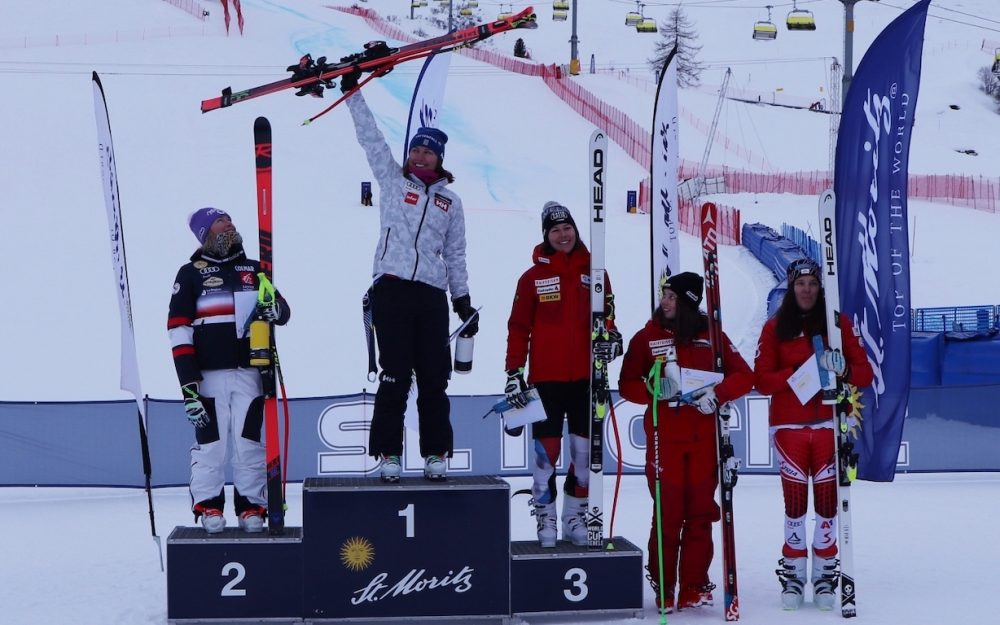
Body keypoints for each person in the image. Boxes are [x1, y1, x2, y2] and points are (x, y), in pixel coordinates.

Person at [342, 76, 477, 482]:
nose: (419, 156)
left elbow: (455, 253)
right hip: (392, 290)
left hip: (431, 296)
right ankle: (388, 454)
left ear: (438, 159)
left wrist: (463, 299)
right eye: (416, 149)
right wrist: (352, 92)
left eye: (427, 152)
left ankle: (436, 453)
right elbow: (370, 138)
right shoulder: (392, 180)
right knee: (395, 374)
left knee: (434, 377)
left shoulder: (450, 202)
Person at [618, 272, 753, 613]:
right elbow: (626, 384)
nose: (665, 301)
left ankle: (693, 584)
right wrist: (654, 390)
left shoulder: (712, 336)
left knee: (700, 512)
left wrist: (717, 394)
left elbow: (745, 376)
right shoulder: (647, 337)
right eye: (664, 294)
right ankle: (663, 585)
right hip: (666, 438)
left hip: (703, 438)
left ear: (689, 303)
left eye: (673, 297)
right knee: (668, 512)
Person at [754, 258, 874, 610]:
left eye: (812, 283)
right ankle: (793, 574)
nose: (806, 290)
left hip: (826, 426)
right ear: (790, 288)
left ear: (821, 288)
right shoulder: (775, 327)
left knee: (826, 505)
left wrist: (845, 368)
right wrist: (796, 373)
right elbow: (761, 379)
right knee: (795, 504)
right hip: (789, 426)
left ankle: (824, 575)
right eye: (800, 283)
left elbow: (864, 374)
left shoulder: (837, 324)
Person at [503, 201, 622, 548]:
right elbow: (518, 327)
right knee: (546, 456)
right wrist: (514, 372)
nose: (563, 235)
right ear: (546, 236)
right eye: (555, 230)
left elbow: (609, 316)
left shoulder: (596, 271)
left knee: (584, 458)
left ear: (576, 230)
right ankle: (546, 518)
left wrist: (612, 339)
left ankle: (574, 516)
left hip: (587, 379)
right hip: (547, 381)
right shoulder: (532, 278)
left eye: (567, 228)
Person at [167, 207, 290, 534]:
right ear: (206, 232)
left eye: (230, 219)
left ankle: (252, 506)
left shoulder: (254, 268)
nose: (230, 224)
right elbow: (178, 328)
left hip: (250, 372)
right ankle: (208, 504)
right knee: (212, 446)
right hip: (207, 376)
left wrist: (270, 304)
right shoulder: (190, 272)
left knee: (249, 442)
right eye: (221, 221)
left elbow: (282, 312)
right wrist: (187, 383)